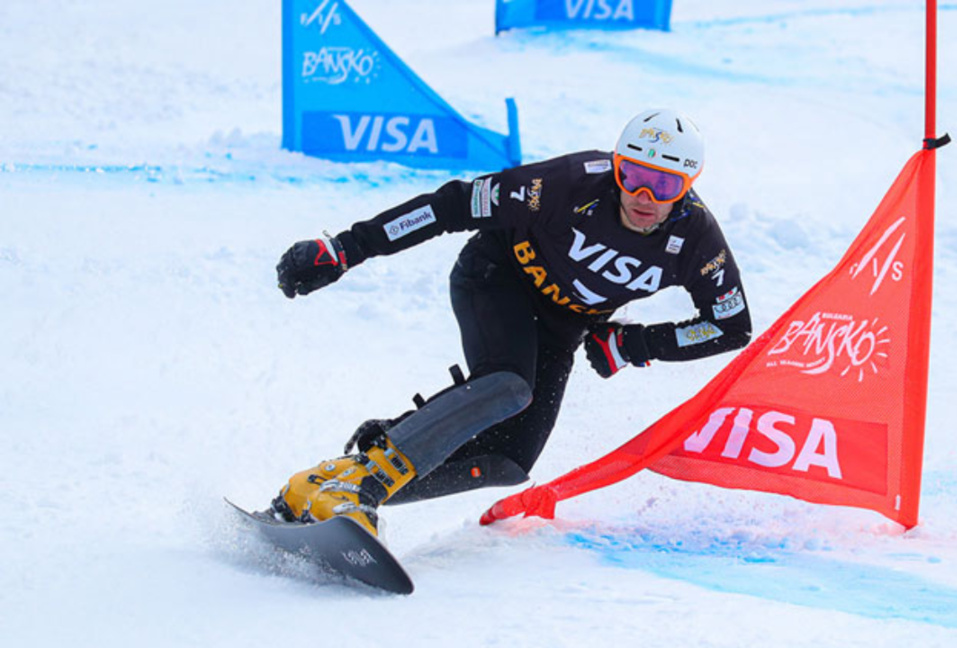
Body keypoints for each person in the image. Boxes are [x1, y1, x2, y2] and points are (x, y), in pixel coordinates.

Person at [270, 109, 752, 536]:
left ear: (688, 187)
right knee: (508, 385)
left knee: (507, 461)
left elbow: (731, 325)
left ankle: (344, 486)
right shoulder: (568, 183)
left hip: (562, 327)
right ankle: (361, 483)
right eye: (633, 176)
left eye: (665, 185)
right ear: (615, 165)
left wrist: (636, 344)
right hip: (496, 278)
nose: (645, 196)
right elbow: (452, 206)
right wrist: (346, 249)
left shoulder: (696, 240)